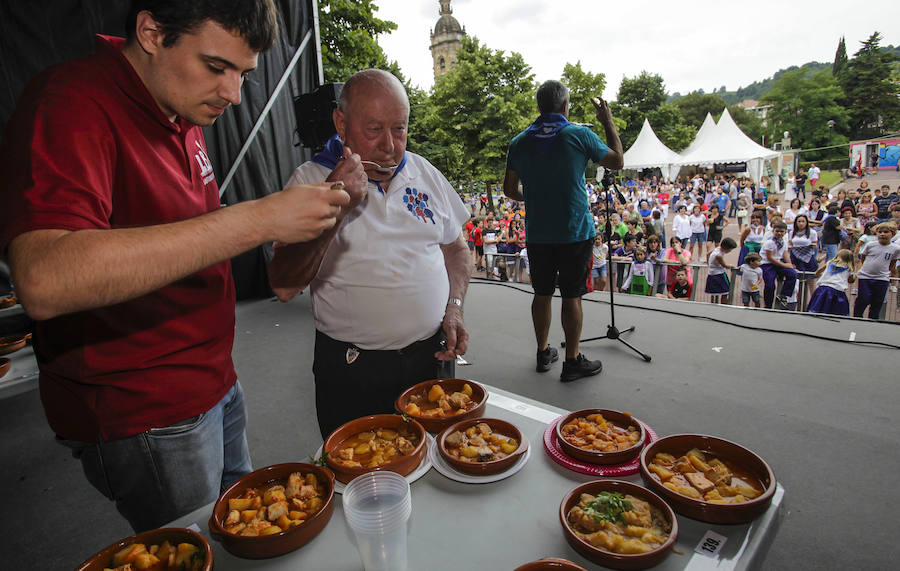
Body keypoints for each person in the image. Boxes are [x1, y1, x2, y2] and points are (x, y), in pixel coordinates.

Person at [0, 0, 357, 532]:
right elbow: (44, 279)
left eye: (244, 74)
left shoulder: (178, 106)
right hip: (145, 406)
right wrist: (255, 220)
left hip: (213, 379)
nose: (233, 95)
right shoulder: (71, 102)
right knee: (197, 547)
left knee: (243, 534)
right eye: (217, 67)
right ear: (150, 31)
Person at [267, 69, 471, 437]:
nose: (390, 146)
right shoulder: (310, 181)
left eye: (400, 129)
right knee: (359, 476)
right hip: (352, 370)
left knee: (438, 460)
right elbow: (284, 285)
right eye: (374, 129)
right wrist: (337, 205)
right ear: (341, 124)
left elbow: (456, 250)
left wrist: (454, 307)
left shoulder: (424, 172)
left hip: (431, 360)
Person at [503, 80, 623, 382]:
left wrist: (535, 196)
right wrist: (607, 121)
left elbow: (509, 189)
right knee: (572, 296)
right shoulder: (579, 135)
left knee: (541, 293)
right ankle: (572, 360)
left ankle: (543, 352)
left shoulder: (519, 143)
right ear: (565, 106)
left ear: (538, 107)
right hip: (574, 232)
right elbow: (618, 161)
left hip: (538, 234)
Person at [852, 223, 900, 319]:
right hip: (866, 277)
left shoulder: (896, 249)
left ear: (892, 234)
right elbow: (863, 258)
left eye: (886, 232)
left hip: (882, 278)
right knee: (863, 299)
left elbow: (892, 264)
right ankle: (856, 318)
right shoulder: (870, 245)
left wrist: (892, 277)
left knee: (877, 302)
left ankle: (873, 320)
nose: (882, 234)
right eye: (880, 232)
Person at [760, 222, 798, 309]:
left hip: (778, 263)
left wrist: (789, 264)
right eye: (777, 231)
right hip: (767, 264)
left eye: (782, 231)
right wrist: (784, 265)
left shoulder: (784, 242)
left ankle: (784, 294)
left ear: (785, 232)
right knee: (770, 284)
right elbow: (770, 258)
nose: (779, 233)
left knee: (792, 274)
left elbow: (785, 253)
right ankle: (768, 305)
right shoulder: (770, 242)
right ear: (773, 231)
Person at [807, 249, 855, 316]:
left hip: (823, 288)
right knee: (836, 311)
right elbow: (850, 280)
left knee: (819, 307)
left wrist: (820, 274)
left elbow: (818, 272)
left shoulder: (829, 263)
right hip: (837, 290)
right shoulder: (848, 269)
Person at [705, 237, 737, 304]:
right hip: (719, 273)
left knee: (715, 292)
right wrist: (732, 265)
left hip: (712, 272)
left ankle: (716, 303)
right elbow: (724, 265)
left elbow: (708, 253)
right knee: (726, 291)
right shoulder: (718, 255)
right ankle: (724, 304)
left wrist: (709, 263)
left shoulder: (717, 249)